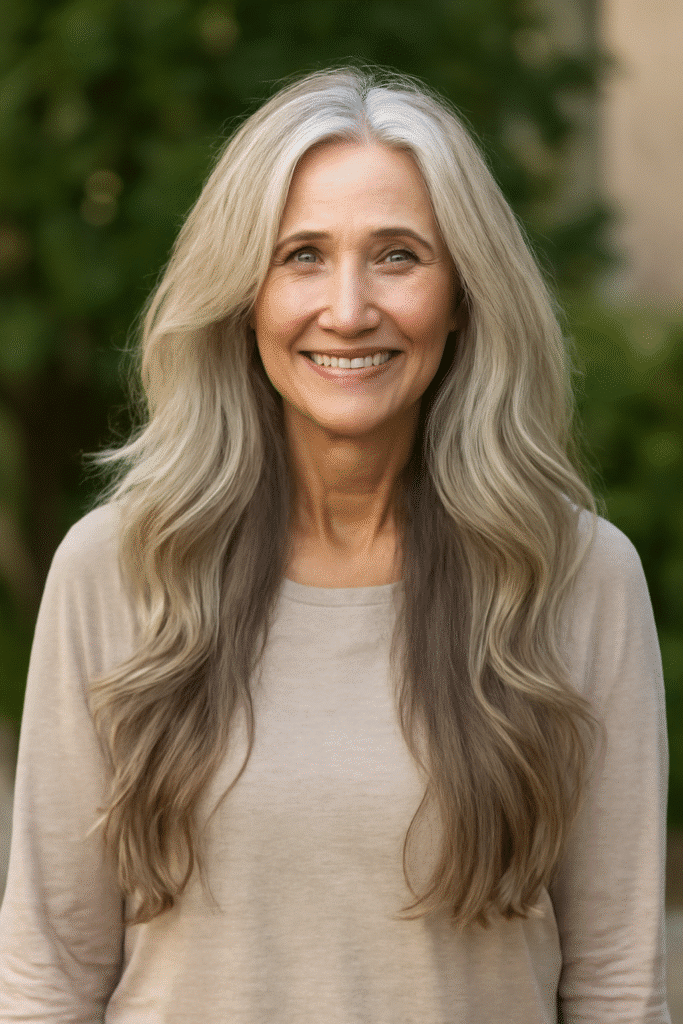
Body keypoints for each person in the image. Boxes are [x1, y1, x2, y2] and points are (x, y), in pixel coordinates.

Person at [0, 66, 671, 1023]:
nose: (348, 308)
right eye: (301, 255)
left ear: (462, 295)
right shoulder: (118, 568)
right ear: (243, 295)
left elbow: (615, 983)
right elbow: (48, 976)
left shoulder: (573, 577)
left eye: (397, 255)